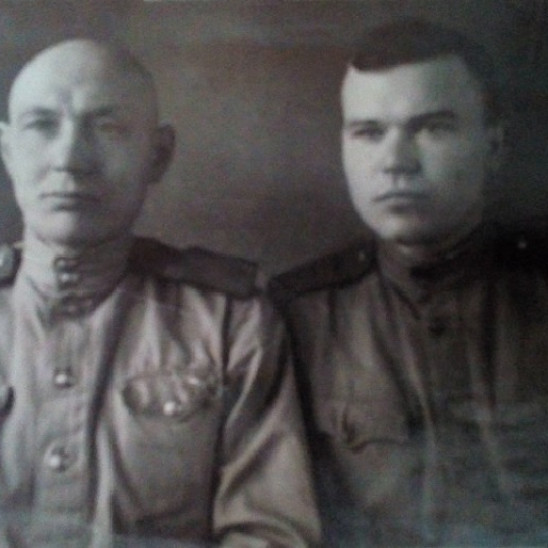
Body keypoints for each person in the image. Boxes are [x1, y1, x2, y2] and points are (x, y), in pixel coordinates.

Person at [0, 38, 320, 547]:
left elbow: (269, 534)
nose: (70, 159)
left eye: (108, 128)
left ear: (158, 155)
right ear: (8, 152)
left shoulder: (230, 324)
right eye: (42, 126)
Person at [271, 18, 548, 546]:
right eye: (369, 132)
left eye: (432, 129)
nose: (396, 162)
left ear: (494, 145)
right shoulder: (296, 317)